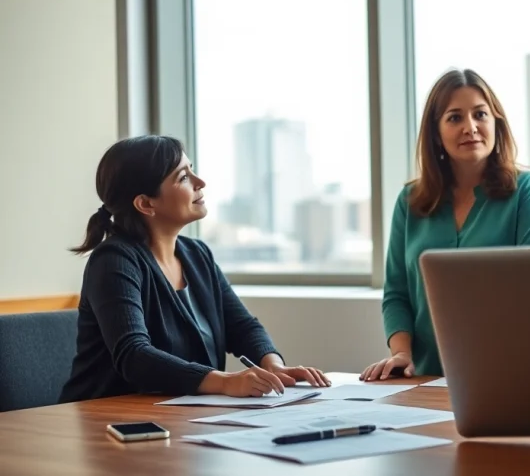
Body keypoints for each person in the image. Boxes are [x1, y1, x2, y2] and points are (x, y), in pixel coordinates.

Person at [60, 135, 330, 403]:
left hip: (182, 417)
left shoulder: (197, 254)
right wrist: (226, 382)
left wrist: (273, 364)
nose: (200, 182)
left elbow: (242, 326)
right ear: (145, 203)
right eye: (183, 177)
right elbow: (134, 355)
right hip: (108, 420)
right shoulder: (114, 260)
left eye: (192, 170)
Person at [360, 68, 530, 381]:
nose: (470, 127)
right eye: (455, 118)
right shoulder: (411, 200)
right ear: (436, 132)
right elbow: (397, 292)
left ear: (496, 122)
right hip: (424, 379)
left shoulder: (526, 190)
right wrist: (401, 353)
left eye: (480, 114)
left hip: (506, 374)